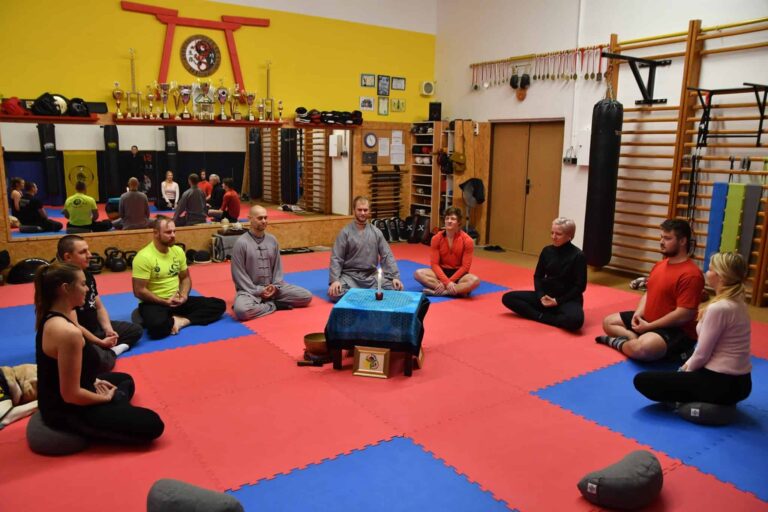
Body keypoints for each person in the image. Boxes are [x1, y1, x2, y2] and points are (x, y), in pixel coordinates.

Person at [34, 262, 164, 444]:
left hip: (75, 391)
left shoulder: (55, 315)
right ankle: (112, 409)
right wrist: (104, 399)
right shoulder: (67, 332)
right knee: (153, 423)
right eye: (82, 284)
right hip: (66, 409)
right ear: (66, 288)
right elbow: (71, 395)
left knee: (125, 380)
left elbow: (61, 371)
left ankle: (115, 407)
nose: (87, 289)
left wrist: (94, 381)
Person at [634, 252, 752, 406]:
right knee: (681, 371)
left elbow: (702, 354)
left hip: (722, 382)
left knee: (642, 380)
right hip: (743, 383)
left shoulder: (719, 308)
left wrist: (683, 373)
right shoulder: (739, 303)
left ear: (721, 277)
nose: (706, 273)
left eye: (710, 270)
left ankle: (694, 402)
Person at [596, 219, 704, 362]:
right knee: (608, 322)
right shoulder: (660, 265)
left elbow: (684, 314)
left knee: (643, 349)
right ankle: (633, 339)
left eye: (667, 238)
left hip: (674, 329)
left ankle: (619, 343)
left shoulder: (691, 274)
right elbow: (649, 292)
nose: (661, 242)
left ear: (683, 241)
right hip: (648, 321)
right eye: (661, 237)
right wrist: (638, 314)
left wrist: (650, 326)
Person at [57, 235, 143, 371]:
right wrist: (100, 342)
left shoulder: (87, 275)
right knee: (101, 362)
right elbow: (75, 326)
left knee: (135, 330)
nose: (89, 255)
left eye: (88, 250)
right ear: (68, 257)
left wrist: (108, 330)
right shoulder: (64, 284)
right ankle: (110, 352)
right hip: (78, 335)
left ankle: (107, 350)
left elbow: (99, 306)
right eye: (83, 252)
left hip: (95, 328)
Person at [132, 217, 226, 339]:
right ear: (156, 233)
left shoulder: (178, 251)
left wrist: (183, 296)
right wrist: (164, 302)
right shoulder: (143, 257)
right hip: (154, 303)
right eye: (168, 232)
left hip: (176, 301)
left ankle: (180, 321)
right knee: (157, 329)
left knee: (219, 305)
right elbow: (139, 291)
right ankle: (148, 315)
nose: (173, 235)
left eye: (174, 231)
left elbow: (185, 277)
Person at [501, 217, 586, 331]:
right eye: (552, 233)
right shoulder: (547, 251)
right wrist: (541, 296)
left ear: (570, 235)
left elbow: (580, 286)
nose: (553, 237)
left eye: (558, 234)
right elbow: (538, 276)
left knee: (575, 321)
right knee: (508, 298)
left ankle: (543, 316)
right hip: (546, 297)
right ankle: (543, 316)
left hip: (566, 299)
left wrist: (557, 301)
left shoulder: (578, 255)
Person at [231, 205, 312, 320]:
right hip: (250, 291)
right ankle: (273, 305)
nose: (264, 221)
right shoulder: (241, 243)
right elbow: (239, 274)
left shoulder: (272, 240)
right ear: (250, 219)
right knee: (242, 311)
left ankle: (264, 304)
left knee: (306, 296)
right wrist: (259, 290)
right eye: (260, 218)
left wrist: (275, 287)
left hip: (272, 289)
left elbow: (277, 268)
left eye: (265, 218)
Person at [328, 195, 402, 301]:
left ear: (369, 211)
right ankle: (369, 295)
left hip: (371, 276)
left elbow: (386, 255)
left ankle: (358, 295)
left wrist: (394, 277)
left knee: (396, 288)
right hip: (350, 277)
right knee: (334, 293)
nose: (362, 213)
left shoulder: (376, 232)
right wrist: (335, 280)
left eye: (365, 210)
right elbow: (336, 258)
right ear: (354, 210)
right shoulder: (345, 232)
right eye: (359, 210)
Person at [414, 207, 480, 297]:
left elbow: (465, 267)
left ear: (459, 222)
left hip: (459, 273)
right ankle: (458, 290)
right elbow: (434, 264)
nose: (449, 221)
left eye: (453, 219)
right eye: (447, 218)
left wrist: (448, 282)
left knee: (475, 281)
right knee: (418, 274)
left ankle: (443, 292)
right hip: (440, 272)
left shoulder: (467, 240)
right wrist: (447, 282)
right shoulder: (436, 238)